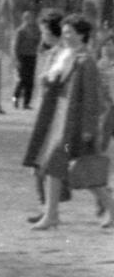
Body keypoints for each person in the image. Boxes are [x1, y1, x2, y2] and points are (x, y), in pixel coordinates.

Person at [23, 15, 113, 231]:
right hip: (60, 121)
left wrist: (89, 130)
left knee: (66, 166)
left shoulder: (86, 60)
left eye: (70, 32)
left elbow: (92, 98)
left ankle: (51, 215)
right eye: (64, 33)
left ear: (81, 35)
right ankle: (52, 214)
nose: (65, 37)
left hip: (75, 126)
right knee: (60, 167)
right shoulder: (66, 56)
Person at [12, 12, 40, 109]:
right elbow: (15, 46)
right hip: (22, 57)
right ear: (24, 19)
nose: (30, 20)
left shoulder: (35, 30)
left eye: (31, 18)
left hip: (32, 56)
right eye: (27, 18)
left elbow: (39, 42)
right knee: (22, 80)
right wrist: (16, 59)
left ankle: (26, 103)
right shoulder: (20, 31)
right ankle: (15, 98)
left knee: (30, 81)